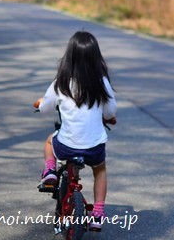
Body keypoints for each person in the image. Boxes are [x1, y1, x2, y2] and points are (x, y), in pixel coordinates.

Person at [34, 31, 117, 230]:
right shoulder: (101, 82)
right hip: (94, 149)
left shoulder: (61, 81)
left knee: (49, 141)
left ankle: (50, 172)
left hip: (66, 147)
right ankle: (97, 213)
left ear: (69, 55)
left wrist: (39, 103)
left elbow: (45, 107)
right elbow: (110, 110)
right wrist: (108, 118)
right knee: (100, 170)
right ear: (96, 57)